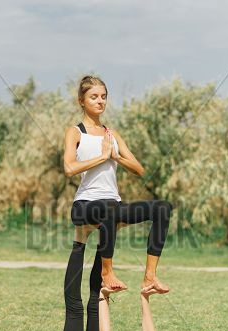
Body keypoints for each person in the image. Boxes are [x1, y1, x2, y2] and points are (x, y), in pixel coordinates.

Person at [63, 75, 173, 294]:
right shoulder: (75, 132)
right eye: (94, 97)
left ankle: (149, 277)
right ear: (81, 101)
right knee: (110, 210)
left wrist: (116, 156)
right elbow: (69, 168)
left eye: (103, 97)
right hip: (85, 204)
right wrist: (102, 157)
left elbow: (139, 169)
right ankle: (107, 272)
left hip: (112, 203)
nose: (100, 101)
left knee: (163, 208)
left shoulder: (111, 134)